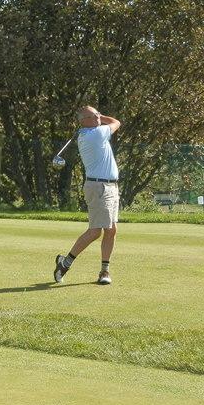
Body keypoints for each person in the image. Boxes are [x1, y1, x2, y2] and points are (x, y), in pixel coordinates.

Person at [54, 106, 121, 285]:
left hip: (110, 186)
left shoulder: (87, 133)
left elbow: (109, 123)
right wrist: (103, 116)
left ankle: (104, 271)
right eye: (94, 115)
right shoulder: (96, 134)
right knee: (95, 231)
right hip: (99, 187)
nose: (98, 117)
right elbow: (116, 122)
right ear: (84, 121)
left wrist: (96, 116)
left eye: (98, 114)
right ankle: (65, 263)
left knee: (111, 230)